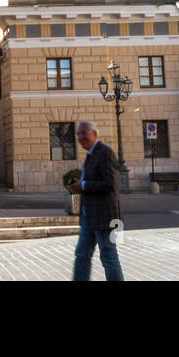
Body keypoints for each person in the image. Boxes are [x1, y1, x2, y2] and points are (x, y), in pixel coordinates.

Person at [66, 120, 124, 281]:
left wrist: (83, 185)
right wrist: (79, 185)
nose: (80, 137)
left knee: (108, 256)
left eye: (84, 132)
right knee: (82, 254)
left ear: (95, 134)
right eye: (78, 134)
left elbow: (110, 184)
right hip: (89, 215)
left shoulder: (105, 153)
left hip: (105, 217)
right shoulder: (91, 154)